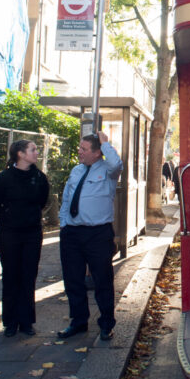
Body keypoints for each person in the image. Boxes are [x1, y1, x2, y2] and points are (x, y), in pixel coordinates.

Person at [57, 130, 123, 341]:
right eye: (80, 147)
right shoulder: (76, 170)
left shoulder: (108, 171)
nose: (79, 151)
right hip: (72, 233)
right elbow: (67, 198)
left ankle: (106, 324)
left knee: (102, 280)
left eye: (84, 149)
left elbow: (116, 164)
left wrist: (105, 143)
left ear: (96, 153)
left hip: (97, 234)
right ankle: (78, 322)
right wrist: (63, 224)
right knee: (73, 279)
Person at [0, 139, 50, 337]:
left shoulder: (39, 177)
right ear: (21, 154)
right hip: (9, 233)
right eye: (33, 150)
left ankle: (26, 321)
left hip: (32, 233)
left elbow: (43, 201)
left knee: (28, 275)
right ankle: (10, 322)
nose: (37, 152)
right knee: (10, 275)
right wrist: (10, 217)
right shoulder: (5, 177)